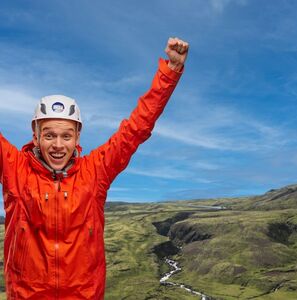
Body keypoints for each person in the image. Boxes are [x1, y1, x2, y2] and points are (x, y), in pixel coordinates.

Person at [0, 37, 189, 299]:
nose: (57, 144)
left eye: (66, 136)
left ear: (77, 137)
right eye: (49, 135)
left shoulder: (95, 171)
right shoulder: (14, 168)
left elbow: (137, 128)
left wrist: (170, 72)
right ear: (35, 135)